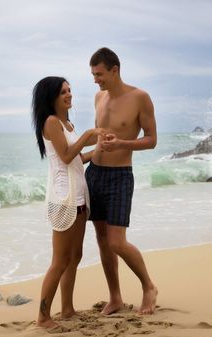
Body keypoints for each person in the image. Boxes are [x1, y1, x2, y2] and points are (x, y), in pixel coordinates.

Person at [85, 47, 158, 315]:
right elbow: (98, 137)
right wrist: (73, 152)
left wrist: (123, 144)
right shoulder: (98, 97)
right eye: (93, 74)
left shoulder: (140, 97)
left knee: (117, 242)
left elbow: (151, 139)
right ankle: (115, 297)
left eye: (99, 74)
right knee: (103, 240)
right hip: (94, 174)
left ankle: (148, 286)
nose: (95, 79)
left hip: (119, 176)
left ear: (114, 69)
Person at [32, 76, 104, 328]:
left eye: (70, 90)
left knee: (75, 256)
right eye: (64, 92)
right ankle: (42, 316)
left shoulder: (67, 124)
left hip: (80, 197)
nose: (69, 95)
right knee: (60, 260)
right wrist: (89, 134)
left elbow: (77, 158)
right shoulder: (51, 122)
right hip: (63, 200)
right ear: (51, 97)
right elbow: (64, 157)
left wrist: (101, 146)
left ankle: (68, 310)